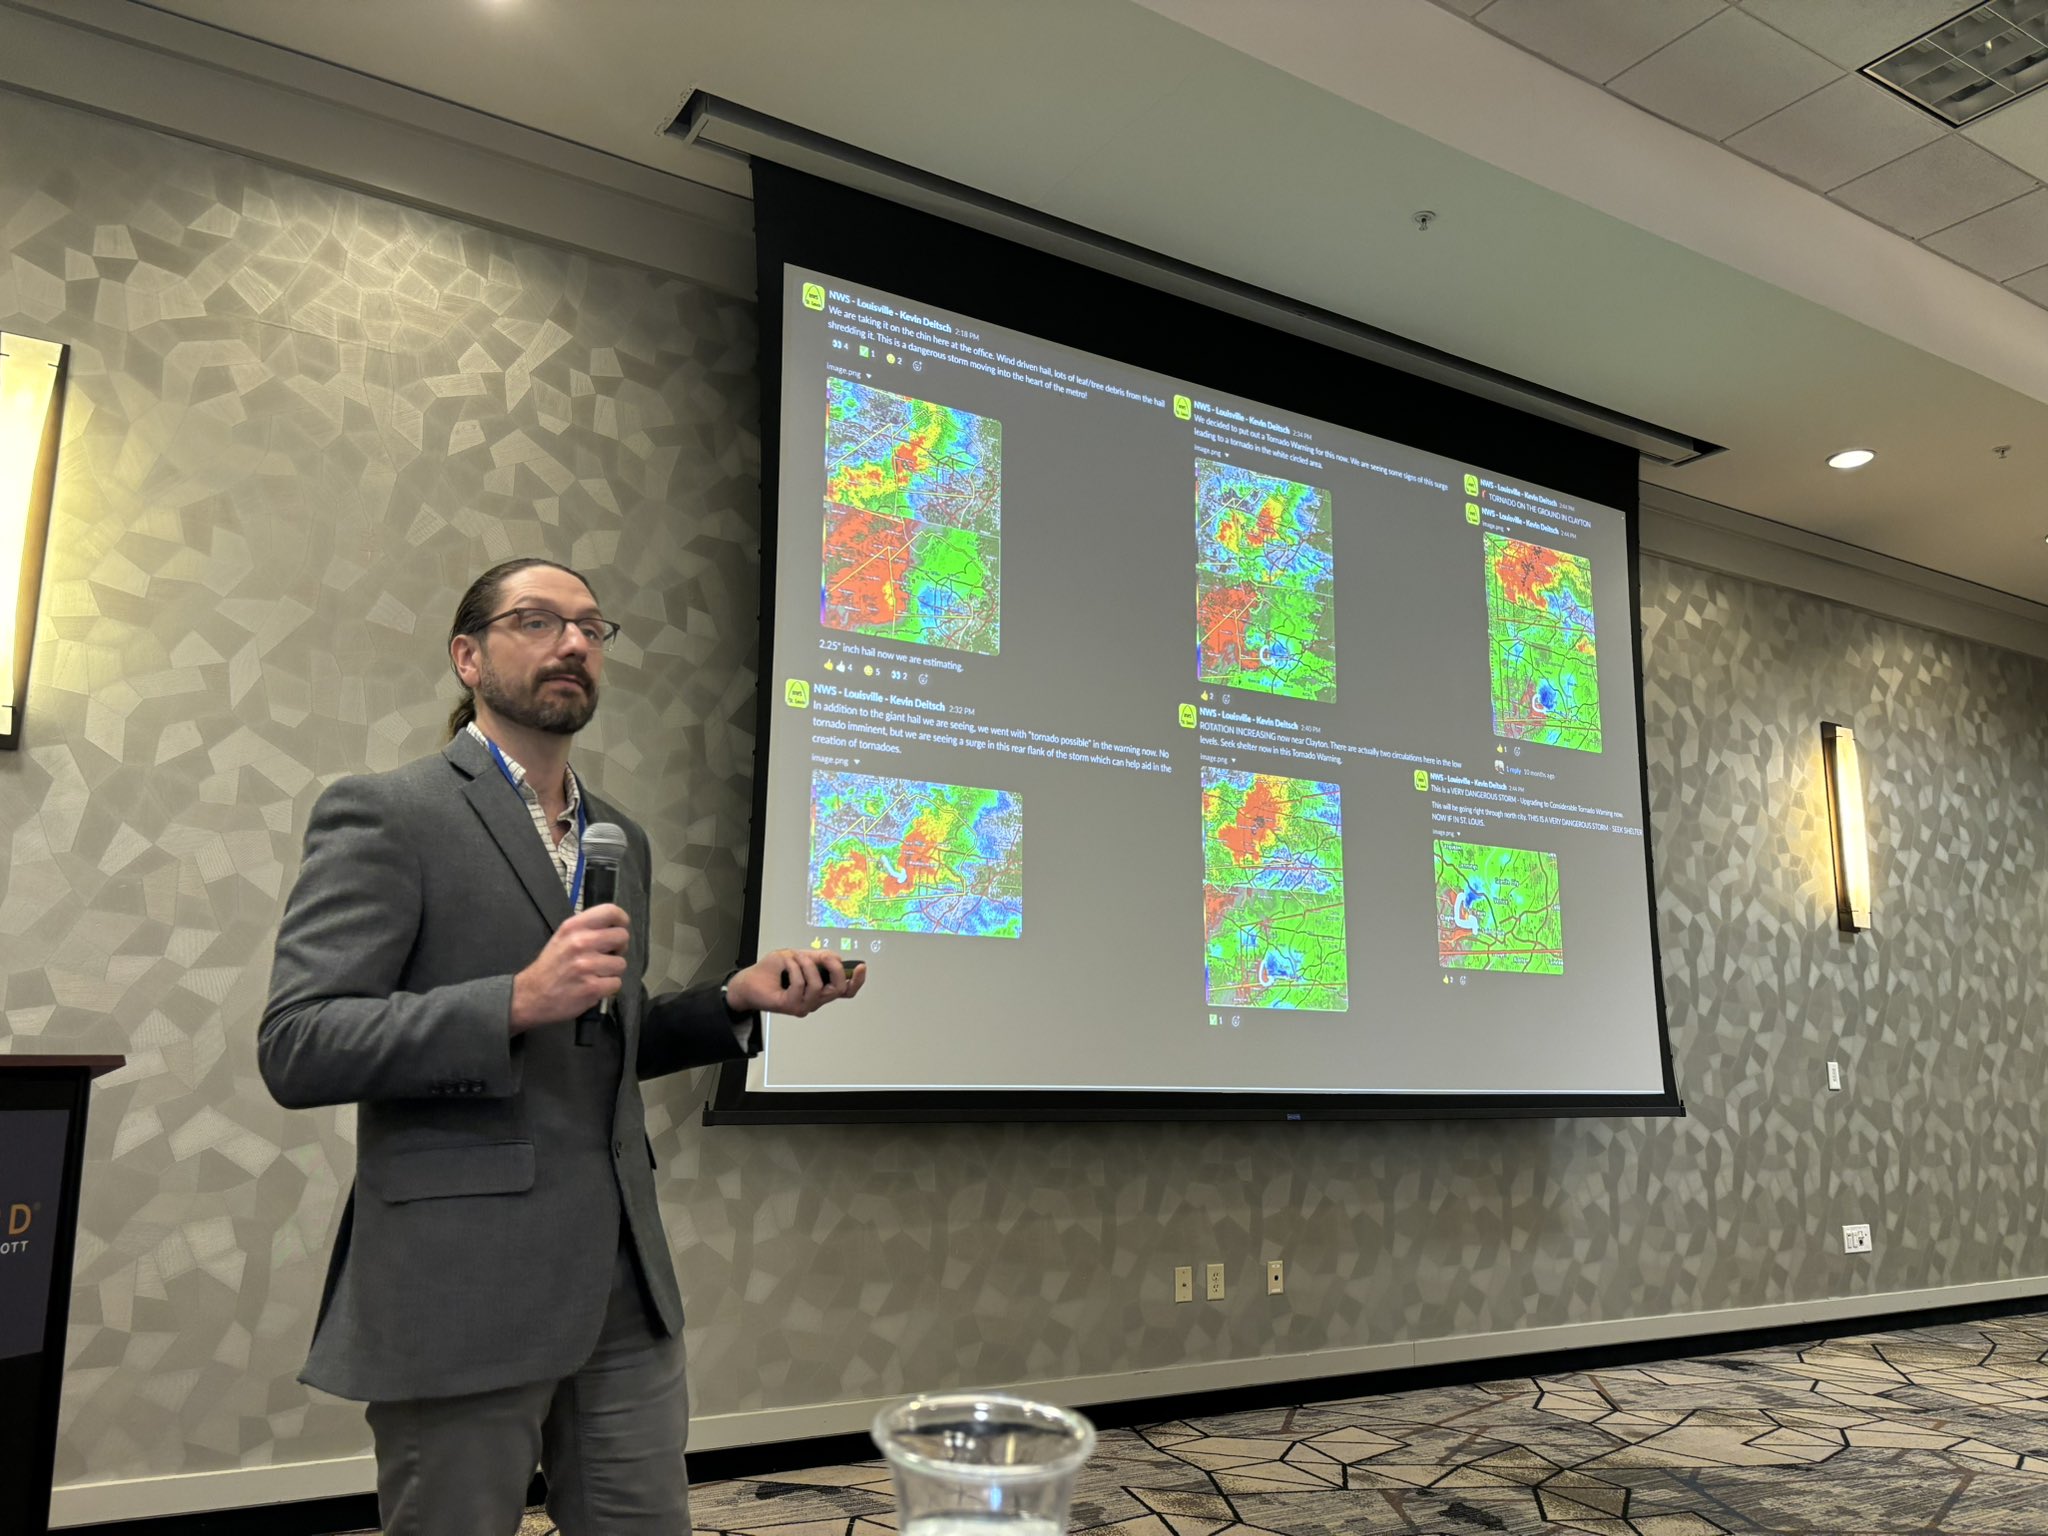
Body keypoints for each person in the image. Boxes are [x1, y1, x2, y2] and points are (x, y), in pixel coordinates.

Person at [259, 556, 863, 1535]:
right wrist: (511, 1001)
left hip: (621, 1274)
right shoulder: (388, 813)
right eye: (538, 621)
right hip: (463, 1278)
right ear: (468, 657)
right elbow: (299, 1043)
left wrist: (730, 1001)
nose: (574, 642)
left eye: (590, 627)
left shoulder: (620, 837)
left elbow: (597, 1040)